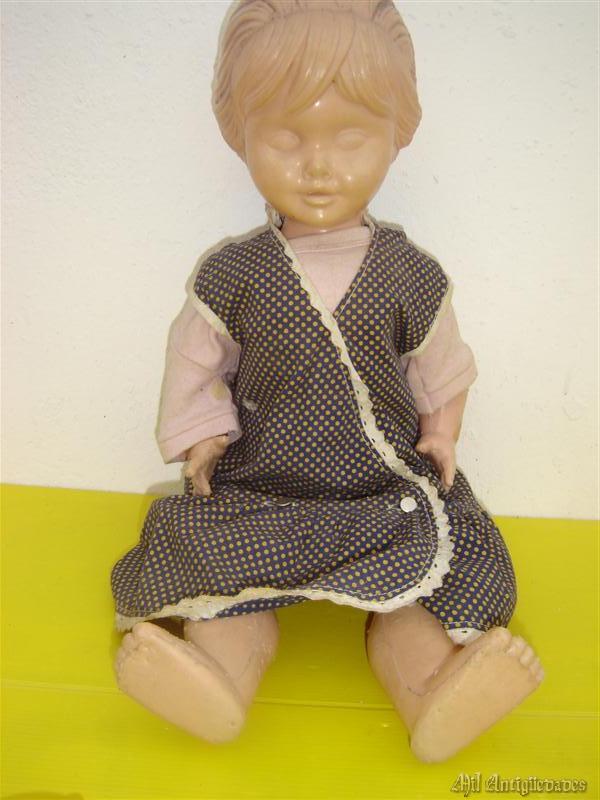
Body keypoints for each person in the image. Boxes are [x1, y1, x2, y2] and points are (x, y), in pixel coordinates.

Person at [111, 0, 544, 762]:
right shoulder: (234, 275)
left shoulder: (411, 276)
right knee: (223, 582)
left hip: (382, 492)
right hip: (263, 489)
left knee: (419, 591)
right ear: (240, 136)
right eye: (286, 138)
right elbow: (195, 362)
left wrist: (442, 433)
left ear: (397, 135)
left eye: (350, 139)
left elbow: (444, 367)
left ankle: (431, 687)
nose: (318, 166)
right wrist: (204, 438)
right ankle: (219, 678)